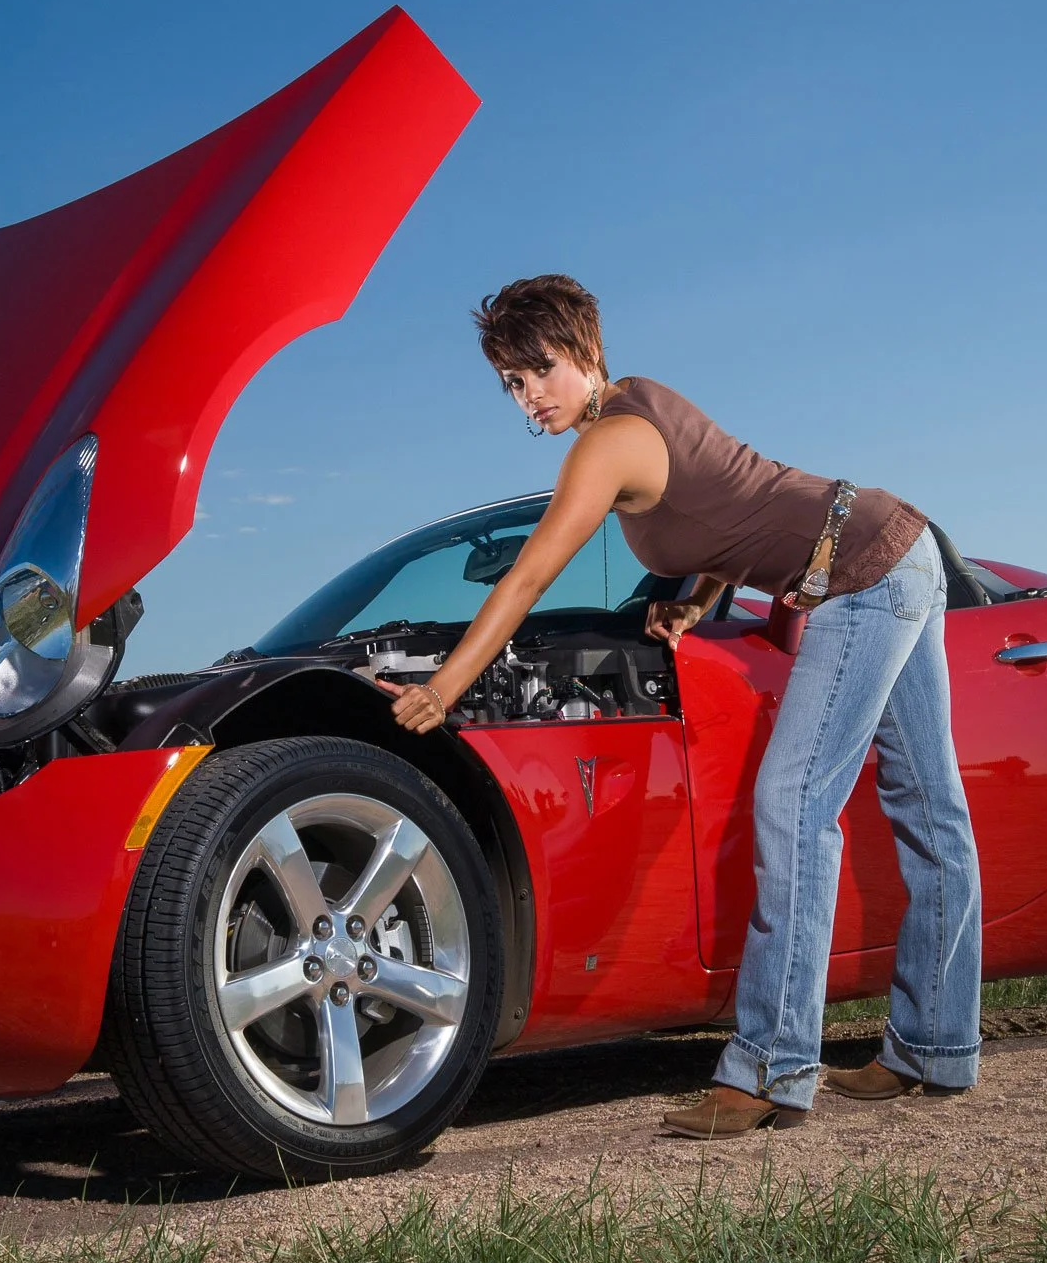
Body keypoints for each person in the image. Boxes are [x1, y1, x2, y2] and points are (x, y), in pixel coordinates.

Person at [381, 273, 982, 1137]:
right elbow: (733, 506)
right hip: (894, 543)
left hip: (865, 573)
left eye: (537, 371)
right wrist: (699, 601)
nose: (526, 399)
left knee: (794, 803)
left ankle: (770, 1070)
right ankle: (933, 1048)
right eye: (510, 384)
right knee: (929, 808)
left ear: (584, 352)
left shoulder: (605, 443)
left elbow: (528, 575)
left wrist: (443, 688)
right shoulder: (642, 402)